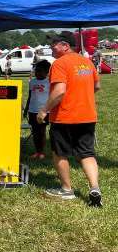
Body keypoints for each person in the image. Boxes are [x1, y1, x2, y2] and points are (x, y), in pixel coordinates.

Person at [36, 32, 102, 207]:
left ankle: (66, 190)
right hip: (87, 115)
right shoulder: (87, 62)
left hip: (64, 117)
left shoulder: (60, 63)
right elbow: (97, 86)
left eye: (54, 43)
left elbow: (59, 92)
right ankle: (95, 188)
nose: (51, 46)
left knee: (60, 153)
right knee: (87, 153)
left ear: (65, 46)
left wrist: (44, 110)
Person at [23, 60, 51, 159]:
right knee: (35, 131)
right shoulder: (32, 82)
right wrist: (26, 109)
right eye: (36, 71)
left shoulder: (49, 82)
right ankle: (37, 151)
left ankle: (42, 152)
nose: (38, 73)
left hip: (44, 111)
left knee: (42, 131)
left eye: (40, 71)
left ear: (47, 72)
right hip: (32, 110)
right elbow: (30, 96)